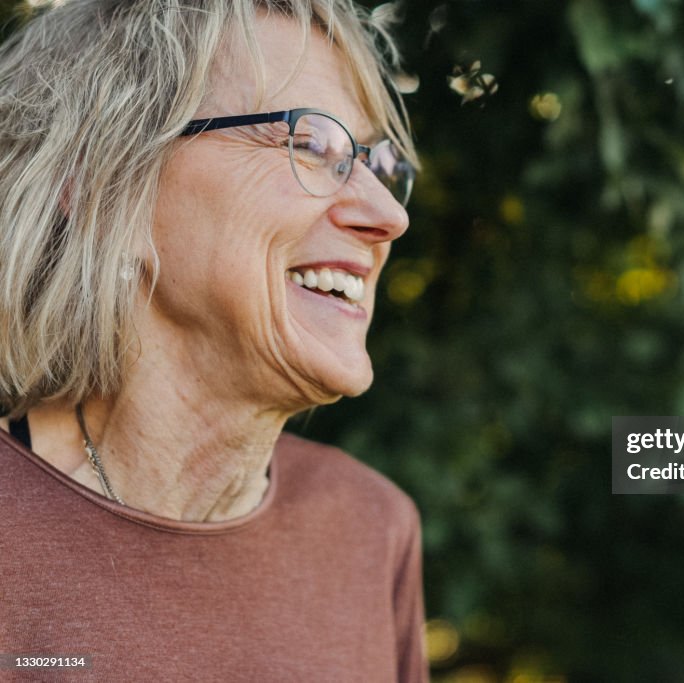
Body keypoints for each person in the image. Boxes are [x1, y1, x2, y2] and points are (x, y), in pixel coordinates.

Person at [0, 0, 426, 679]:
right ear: (105, 183)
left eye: (379, 164)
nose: (390, 214)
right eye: (311, 144)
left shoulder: (370, 531)